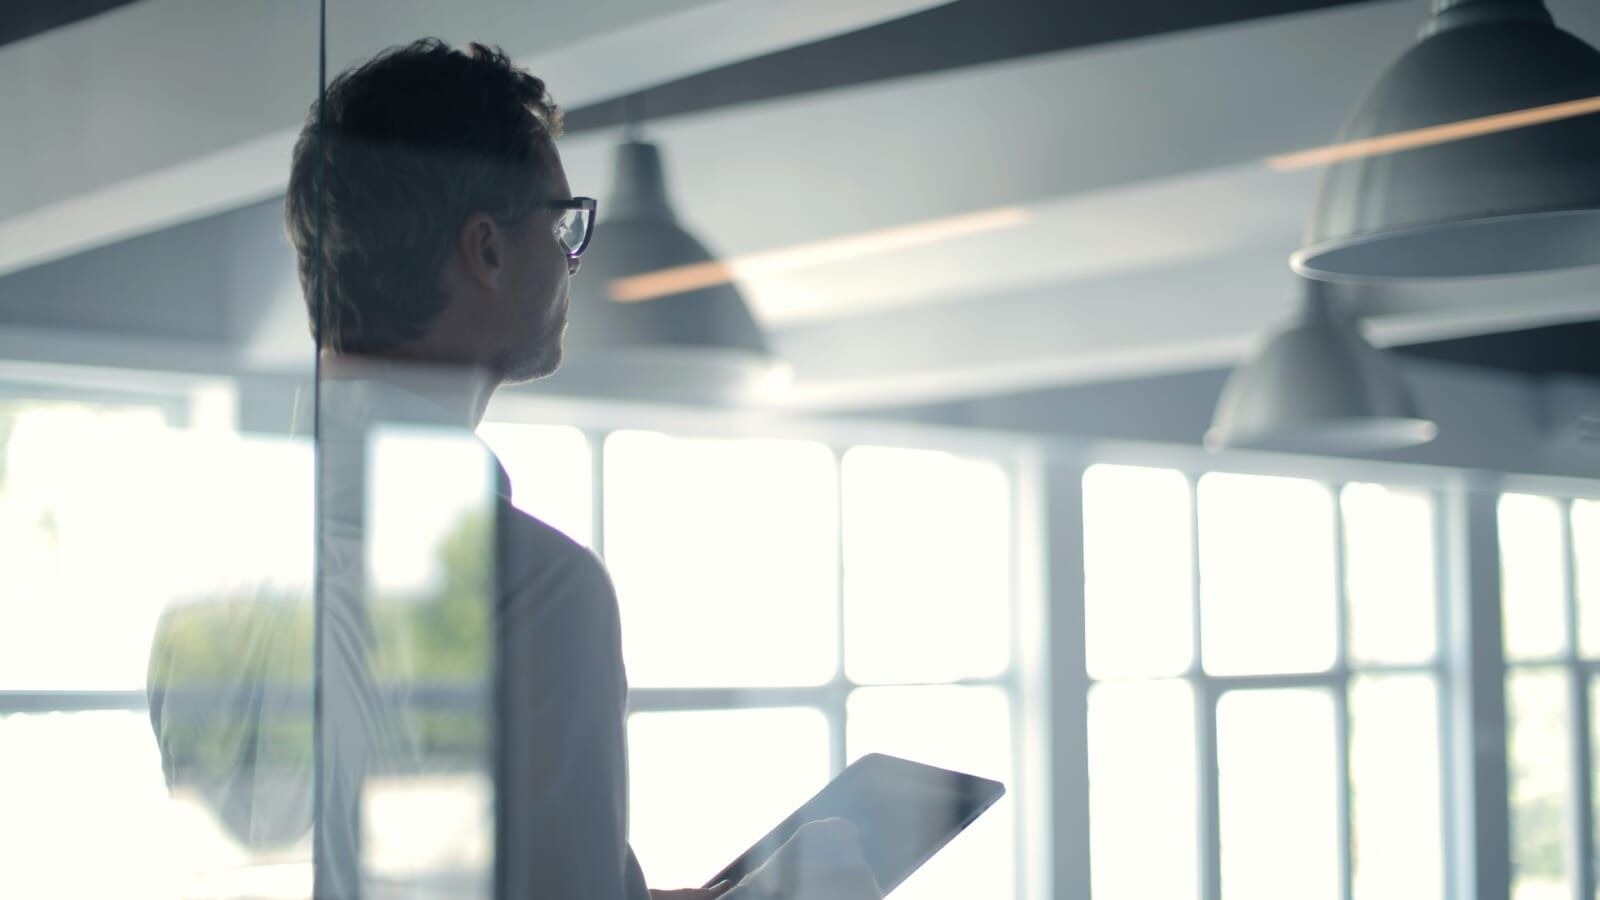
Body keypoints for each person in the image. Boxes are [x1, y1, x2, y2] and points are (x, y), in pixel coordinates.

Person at [276, 38, 880, 900]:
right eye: (563, 227)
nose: (572, 260)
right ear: (487, 251)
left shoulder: (231, 569)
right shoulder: (533, 590)